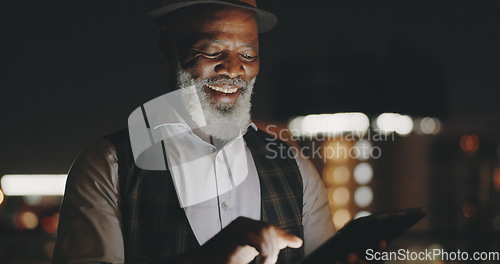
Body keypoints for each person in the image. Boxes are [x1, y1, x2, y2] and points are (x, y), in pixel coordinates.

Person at [53, 1, 335, 263]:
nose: (235, 69)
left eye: (248, 55)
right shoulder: (108, 167)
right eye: (212, 51)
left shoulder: (294, 166)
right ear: (167, 44)